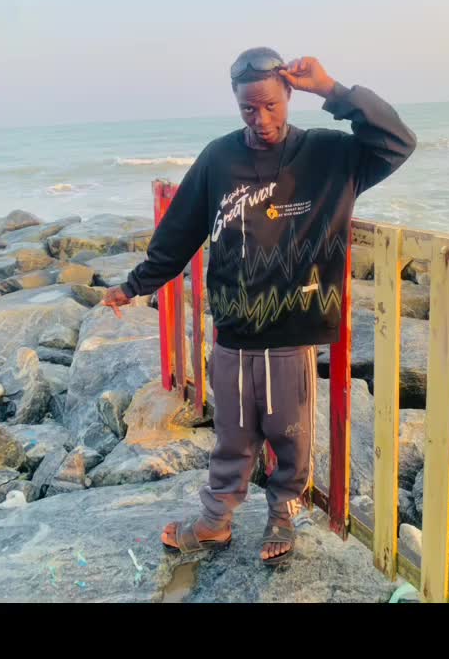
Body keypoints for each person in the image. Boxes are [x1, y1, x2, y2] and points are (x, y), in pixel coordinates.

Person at [102, 48, 417, 565]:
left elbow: (397, 141)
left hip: (291, 333)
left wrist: (332, 90)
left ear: (289, 94)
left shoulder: (328, 156)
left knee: (290, 435)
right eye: (249, 108)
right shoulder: (219, 158)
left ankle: (282, 514)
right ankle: (215, 520)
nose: (261, 119)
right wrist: (134, 285)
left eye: (271, 105)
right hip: (232, 331)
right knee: (231, 435)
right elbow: (179, 232)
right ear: (236, 104)